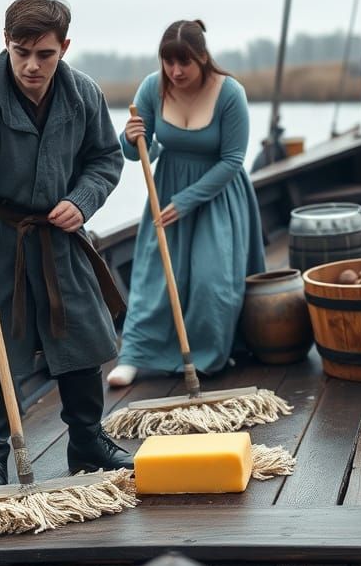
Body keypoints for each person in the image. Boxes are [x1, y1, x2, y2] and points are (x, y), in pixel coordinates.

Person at [0, 0, 134, 487]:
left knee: (84, 336)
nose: (32, 66)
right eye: (22, 53)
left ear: (64, 46)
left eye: (45, 54)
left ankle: (87, 443)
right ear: (6, 43)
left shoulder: (84, 94)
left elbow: (105, 158)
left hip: (62, 234)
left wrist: (82, 199)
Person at [106, 20, 266, 387]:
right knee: (155, 277)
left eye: (184, 63)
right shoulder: (152, 87)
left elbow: (233, 159)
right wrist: (129, 139)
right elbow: (141, 152)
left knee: (213, 280)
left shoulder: (230, 94)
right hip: (167, 191)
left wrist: (188, 200)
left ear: (203, 58)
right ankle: (135, 355)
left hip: (217, 195)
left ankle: (207, 355)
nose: (175, 71)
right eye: (168, 62)